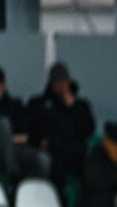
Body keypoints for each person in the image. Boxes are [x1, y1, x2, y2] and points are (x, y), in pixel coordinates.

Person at [26, 63, 93, 193]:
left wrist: (72, 107)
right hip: (51, 154)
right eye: (58, 82)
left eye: (64, 82)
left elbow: (87, 130)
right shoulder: (40, 104)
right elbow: (32, 130)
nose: (62, 86)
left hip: (74, 156)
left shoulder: (80, 106)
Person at [0, 66, 45, 182]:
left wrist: (6, 139)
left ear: (3, 86)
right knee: (3, 123)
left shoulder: (15, 105)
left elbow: (26, 135)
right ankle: (13, 173)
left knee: (43, 159)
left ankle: (28, 191)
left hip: (16, 150)